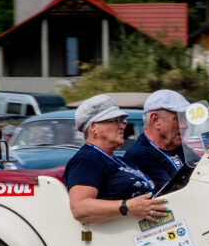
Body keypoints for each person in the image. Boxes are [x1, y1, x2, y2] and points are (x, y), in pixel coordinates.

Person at [65, 94, 169, 223]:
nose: (122, 126)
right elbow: (79, 208)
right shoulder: (88, 159)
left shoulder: (119, 160)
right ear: (93, 127)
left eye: (122, 121)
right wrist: (127, 207)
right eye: (114, 120)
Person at [122, 89, 189, 189]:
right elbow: (173, 193)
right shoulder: (140, 155)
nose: (185, 125)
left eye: (186, 119)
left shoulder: (179, 148)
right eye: (179, 119)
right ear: (156, 120)